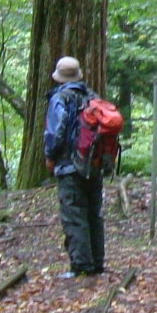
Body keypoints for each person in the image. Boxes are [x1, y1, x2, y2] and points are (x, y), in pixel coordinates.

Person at [44, 56, 105, 278]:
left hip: (70, 166)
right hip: (93, 165)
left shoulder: (60, 98)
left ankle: (81, 266)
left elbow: (55, 132)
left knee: (74, 215)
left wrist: (50, 156)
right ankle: (97, 262)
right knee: (93, 215)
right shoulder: (92, 96)